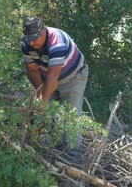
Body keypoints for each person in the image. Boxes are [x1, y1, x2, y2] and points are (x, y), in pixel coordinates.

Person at [20, 16, 88, 150]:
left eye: (34, 39)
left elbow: (53, 75)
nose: (32, 43)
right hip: (47, 77)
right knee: (45, 114)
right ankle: (46, 150)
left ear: (43, 31)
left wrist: (42, 102)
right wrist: (40, 92)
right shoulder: (25, 44)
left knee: (72, 115)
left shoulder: (57, 41)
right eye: (29, 39)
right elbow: (32, 70)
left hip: (74, 77)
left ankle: (73, 153)